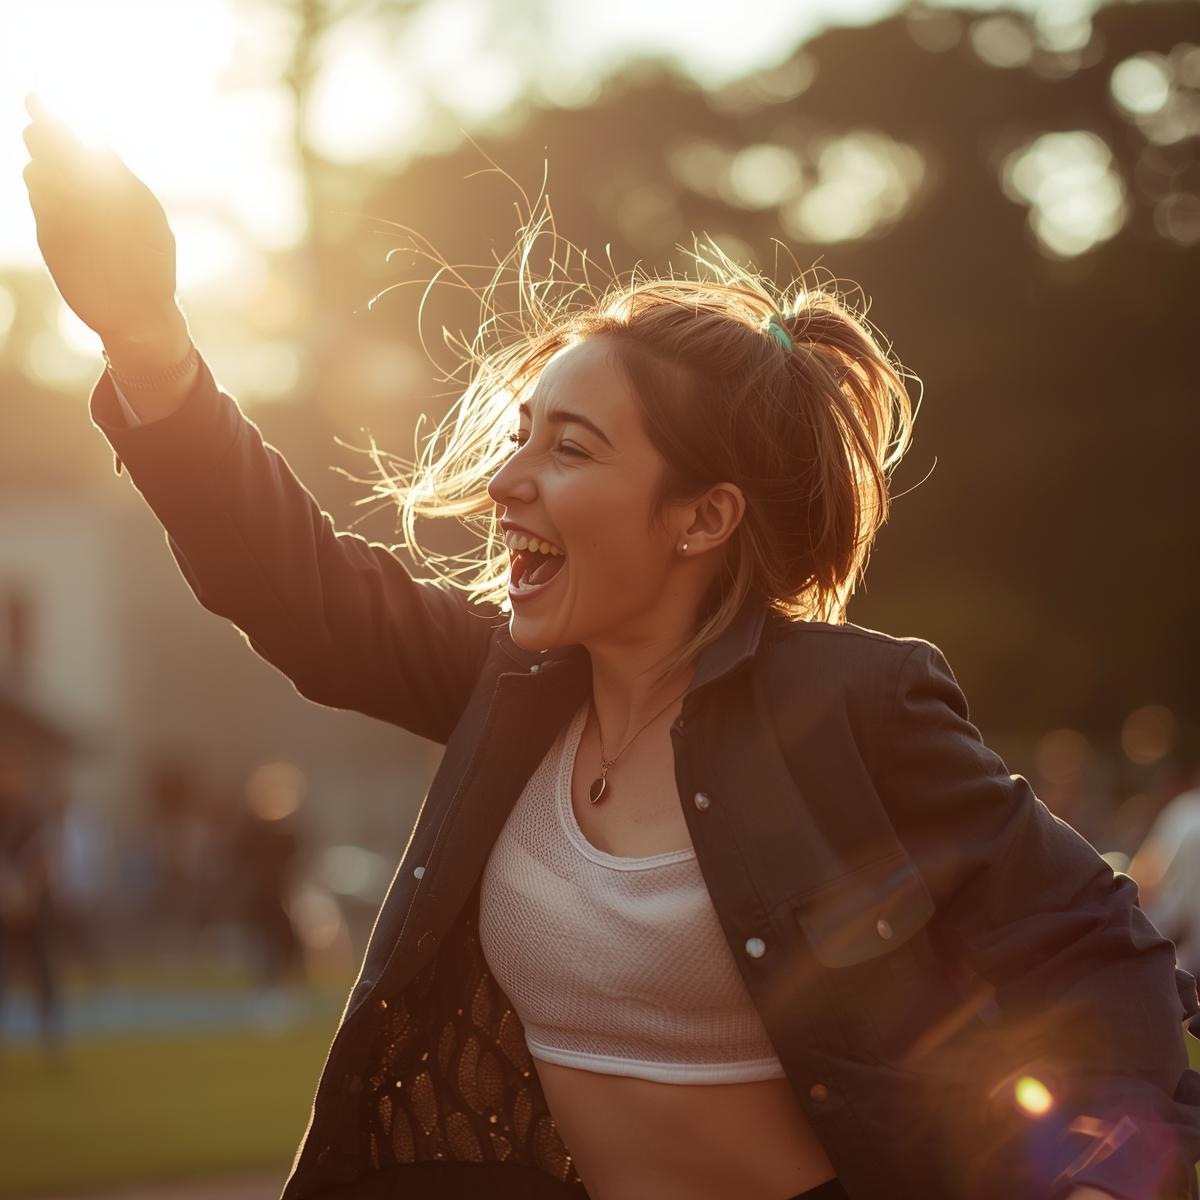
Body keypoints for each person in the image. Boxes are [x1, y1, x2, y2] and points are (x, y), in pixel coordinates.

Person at [20, 91, 1200, 1200]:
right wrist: (149, 339)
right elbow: (296, 589)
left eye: (570, 448)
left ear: (704, 517)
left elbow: (1090, 940)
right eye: (520, 433)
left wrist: (1107, 1177)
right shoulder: (513, 688)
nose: (505, 480)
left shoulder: (857, 704)